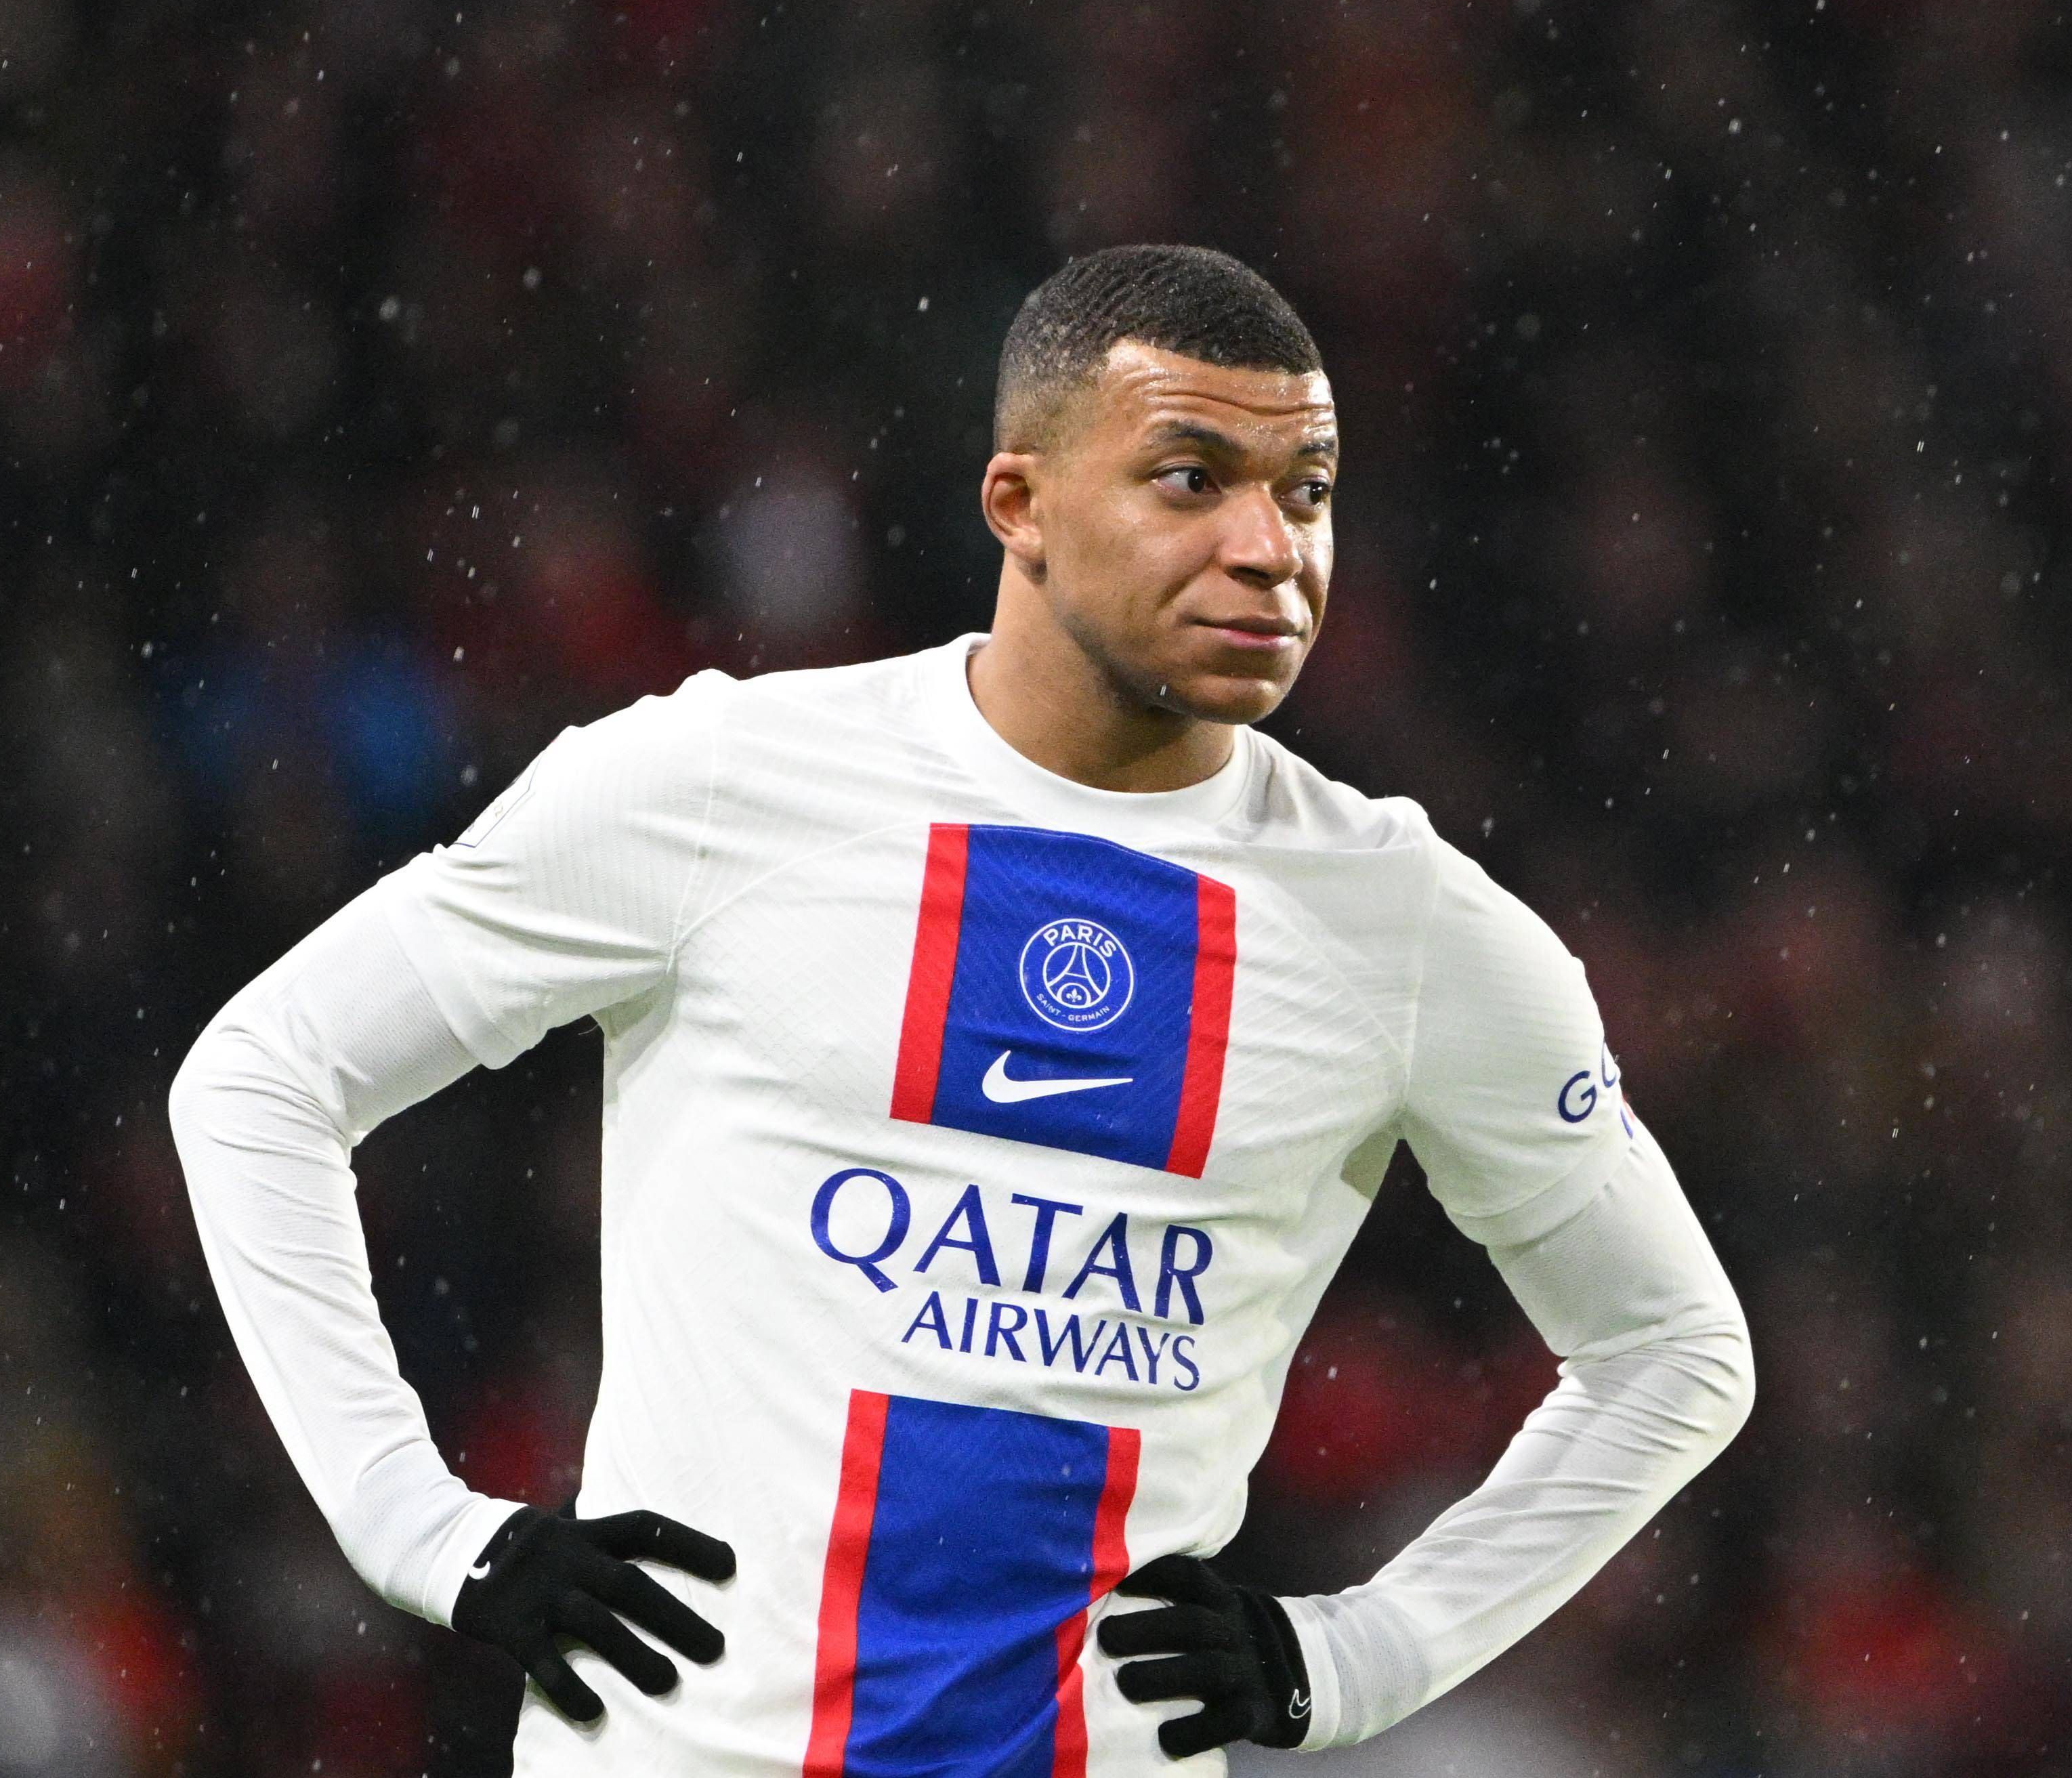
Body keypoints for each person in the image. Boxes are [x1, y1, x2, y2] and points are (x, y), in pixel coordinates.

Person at [167, 245, 1755, 1775]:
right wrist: (418, 1524)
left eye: (1308, 488)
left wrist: (1360, 1654)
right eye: (1191, 477)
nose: (1270, 545)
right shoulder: (715, 785)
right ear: (1020, 503)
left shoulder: (1407, 930)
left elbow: (1673, 1350)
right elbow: (262, 1076)